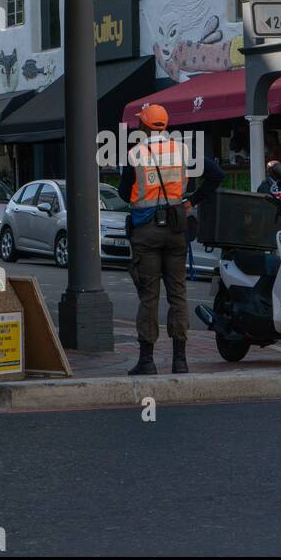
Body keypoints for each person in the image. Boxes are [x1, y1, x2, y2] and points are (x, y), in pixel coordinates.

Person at [118, 104, 222, 376]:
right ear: (165, 124)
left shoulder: (135, 153)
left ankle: (147, 360)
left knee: (149, 297)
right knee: (178, 295)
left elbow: (121, 193)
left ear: (143, 125)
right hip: (176, 229)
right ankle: (180, 360)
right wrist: (191, 202)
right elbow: (215, 175)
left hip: (146, 231)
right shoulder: (182, 150)